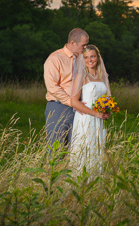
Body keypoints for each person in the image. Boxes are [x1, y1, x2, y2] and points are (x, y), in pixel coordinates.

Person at [44, 28, 106, 150]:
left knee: (76, 148)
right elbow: (52, 87)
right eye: (84, 45)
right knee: (56, 149)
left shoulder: (84, 58)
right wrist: (71, 102)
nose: (86, 47)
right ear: (73, 43)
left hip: (80, 110)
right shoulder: (55, 59)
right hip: (59, 107)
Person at [69, 44, 111, 175]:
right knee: (85, 149)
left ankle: (95, 183)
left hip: (99, 120)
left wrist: (107, 110)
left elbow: (107, 98)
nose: (89, 60)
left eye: (92, 56)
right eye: (86, 57)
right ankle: (81, 182)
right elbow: (73, 101)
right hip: (86, 118)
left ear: (97, 57)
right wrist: (95, 113)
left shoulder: (102, 76)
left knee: (97, 149)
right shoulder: (82, 76)